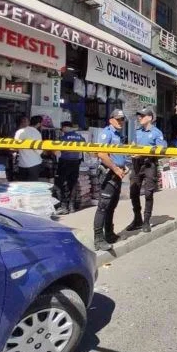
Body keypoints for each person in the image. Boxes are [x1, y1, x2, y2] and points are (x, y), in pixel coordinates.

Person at [126, 107, 166, 234]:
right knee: (133, 192)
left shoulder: (157, 133)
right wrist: (131, 151)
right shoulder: (137, 132)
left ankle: (146, 221)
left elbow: (161, 150)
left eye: (142, 116)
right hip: (137, 165)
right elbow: (132, 144)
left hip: (149, 165)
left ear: (149, 118)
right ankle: (137, 219)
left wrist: (143, 154)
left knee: (148, 194)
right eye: (139, 116)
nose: (139, 118)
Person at [93, 109, 129, 250]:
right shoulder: (106, 133)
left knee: (112, 206)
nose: (121, 122)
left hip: (117, 173)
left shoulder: (119, 135)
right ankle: (98, 239)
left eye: (122, 119)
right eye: (118, 119)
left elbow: (118, 154)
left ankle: (109, 234)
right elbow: (102, 154)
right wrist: (115, 168)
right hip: (109, 173)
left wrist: (123, 166)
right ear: (111, 120)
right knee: (103, 206)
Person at [54, 121, 85, 215]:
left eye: (62, 128)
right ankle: (71, 206)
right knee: (73, 183)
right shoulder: (80, 137)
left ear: (65, 128)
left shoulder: (63, 138)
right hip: (75, 163)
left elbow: (56, 151)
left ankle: (64, 206)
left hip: (64, 162)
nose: (62, 130)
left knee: (60, 184)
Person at [14, 115, 43, 181]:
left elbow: (15, 147)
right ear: (39, 124)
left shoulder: (19, 131)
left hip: (22, 163)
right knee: (32, 186)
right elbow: (38, 149)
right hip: (34, 163)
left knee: (22, 185)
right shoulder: (36, 133)